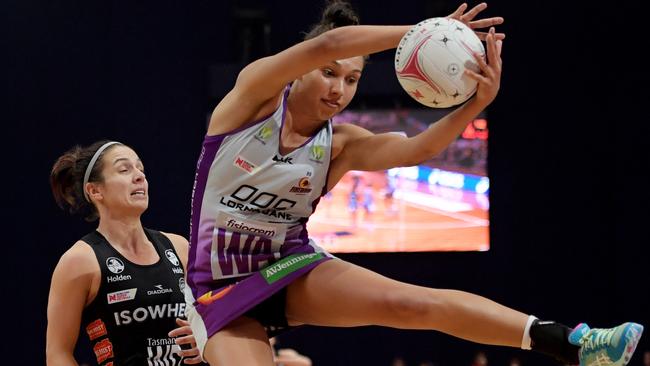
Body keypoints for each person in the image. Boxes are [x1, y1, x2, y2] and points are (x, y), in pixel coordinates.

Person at [183, 1, 643, 365]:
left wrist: (475, 104)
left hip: (286, 266)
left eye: (352, 79)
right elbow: (333, 42)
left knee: (411, 304)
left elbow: (418, 150)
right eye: (329, 73)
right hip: (217, 284)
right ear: (301, 68)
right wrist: (424, 32)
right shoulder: (251, 100)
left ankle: (574, 344)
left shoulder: (340, 143)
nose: (339, 90)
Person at [46, 141, 203, 365]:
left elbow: (213, 321)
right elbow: (57, 354)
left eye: (141, 169)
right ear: (95, 190)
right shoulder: (80, 261)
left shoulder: (178, 247)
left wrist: (204, 341)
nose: (139, 176)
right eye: (124, 169)